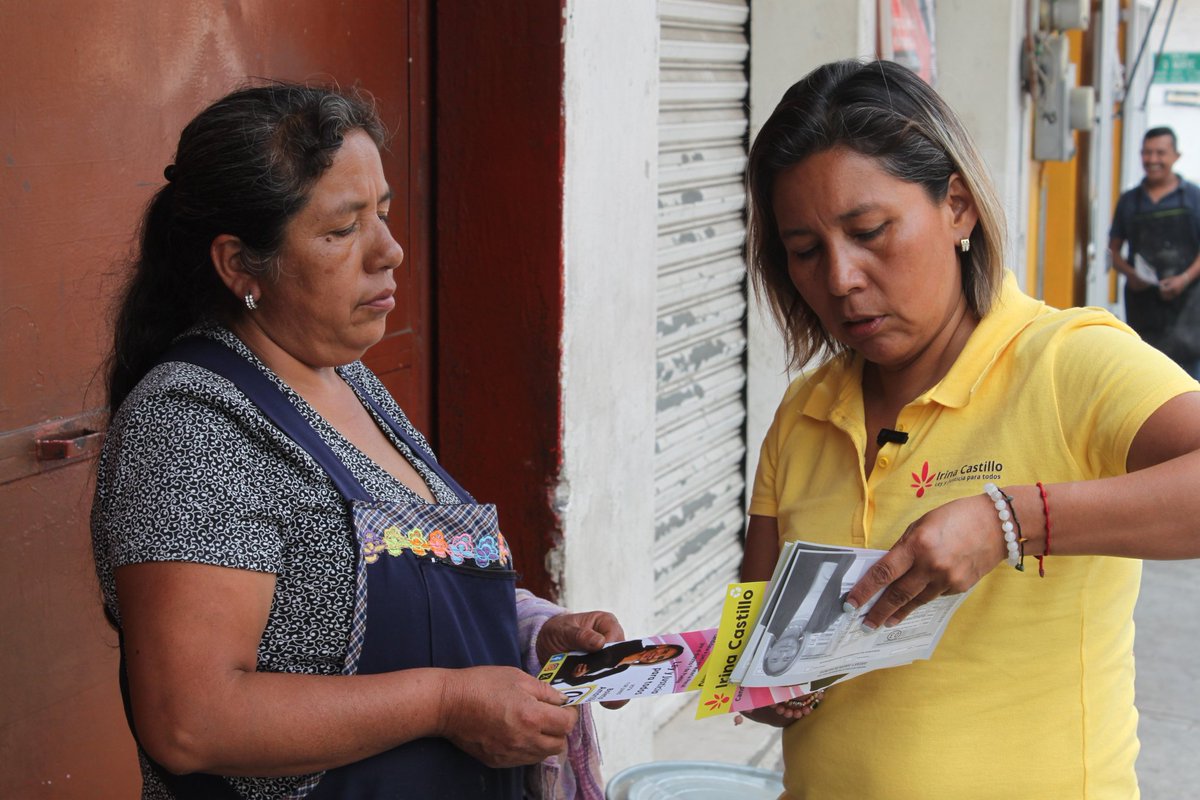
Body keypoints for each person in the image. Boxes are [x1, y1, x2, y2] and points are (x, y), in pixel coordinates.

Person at [91, 83, 625, 800]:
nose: (390, 251)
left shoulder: (346, 379)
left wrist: (534, 633)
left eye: (383, 212)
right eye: (343, 230)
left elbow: (416, 579)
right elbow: (190, 718)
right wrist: (446, 702)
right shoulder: (191, 423)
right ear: (240, 264)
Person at [739, 59, 1200, 799]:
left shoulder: (1064, 362)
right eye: (805, 251)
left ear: (957, 207)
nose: (841, 278)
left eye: (869, 231)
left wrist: (1010, 520)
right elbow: (757, 638)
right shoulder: (804, 413)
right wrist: (761, 682)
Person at [1109, 126, 1200, 375]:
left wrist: (1184, 279)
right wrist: (1131, 274)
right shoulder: (1129, 201)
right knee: (1145, 373)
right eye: (1147, 153)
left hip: (1188, 307)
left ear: (1176, 156)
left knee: (1188, 381)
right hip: (1143, 307)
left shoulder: (1193, 197)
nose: (1152, 160)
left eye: (1160, 153)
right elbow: (1113, 251)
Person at [552, 642, 684, 687]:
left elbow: (590, 679)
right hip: (559, 658)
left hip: (557, 679)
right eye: (664, 651)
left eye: (660, 658)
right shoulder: (634, 644)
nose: (656, 656)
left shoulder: (624, 668)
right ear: (661, 645)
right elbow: (602, 652)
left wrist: (576, 676)